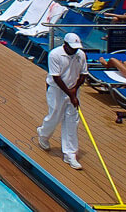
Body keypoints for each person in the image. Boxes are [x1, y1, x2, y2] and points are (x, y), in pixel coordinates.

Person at [37, 33, 88, 169]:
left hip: (73, 90)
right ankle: (43, 134)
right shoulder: (55, 54)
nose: (75, 50)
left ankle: (70, 153)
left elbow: (83, 74)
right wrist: (71, 94)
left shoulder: (80, 54)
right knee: (55, 116)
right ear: (65, 44)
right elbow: (56, 77)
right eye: (72, 48)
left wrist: (75, 90)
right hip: (56, 89)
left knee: (72, 120)